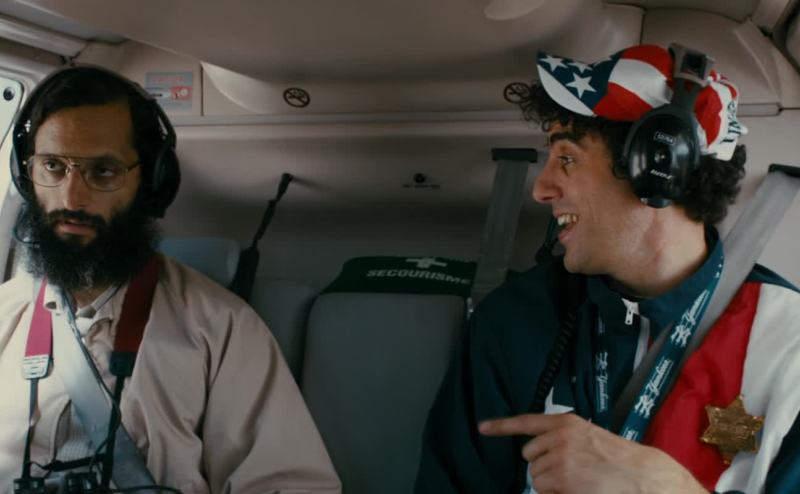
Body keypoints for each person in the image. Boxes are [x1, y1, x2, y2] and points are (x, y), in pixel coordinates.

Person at [415, 44, 800, 493]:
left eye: (567, 159)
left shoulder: (788, 344)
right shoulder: (512, 319)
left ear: (657, 168)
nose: (541, 190)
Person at [0, 66, 341, 493]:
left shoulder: (221, 328)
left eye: (103, 171)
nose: (71, 197)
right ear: (25, 172)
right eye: (53, 166)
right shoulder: (6, 316)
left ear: (150, 183)